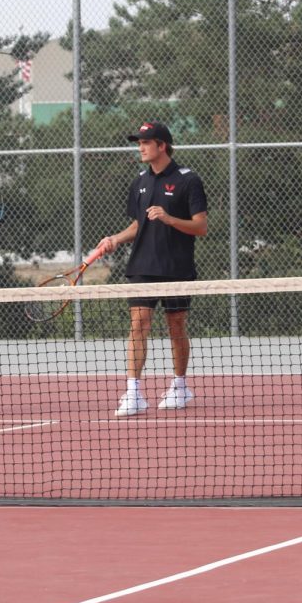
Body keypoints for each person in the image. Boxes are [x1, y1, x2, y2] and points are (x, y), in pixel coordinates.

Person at [95, 121, 208, 417]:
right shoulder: (139, 182)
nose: (141, 148)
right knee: (138, 323)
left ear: (162, 146)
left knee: (176, 326)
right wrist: (115, 239)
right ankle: (133, 392)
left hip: (177, 266)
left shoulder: (188, 180)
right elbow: (138, 225)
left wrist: (170, 219)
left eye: (146, 142)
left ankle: (180, 385)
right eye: (139, 143)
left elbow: (201, 226)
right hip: (143, 265)